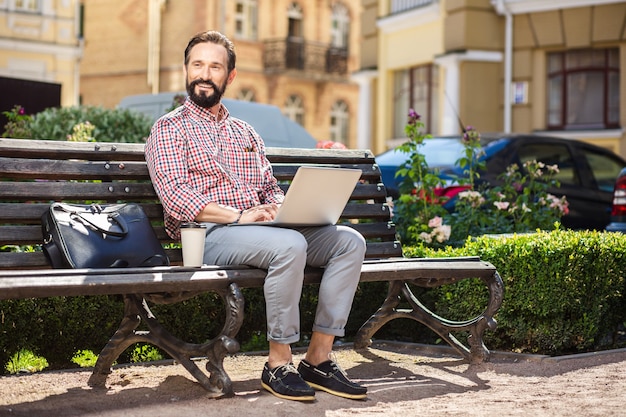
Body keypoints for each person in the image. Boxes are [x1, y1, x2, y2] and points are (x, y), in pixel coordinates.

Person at [144, 30, 367, 402]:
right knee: (290, 245)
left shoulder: (245, 132)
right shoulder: (169, 129)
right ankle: (278, 364)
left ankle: (318, 359)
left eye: (215, 67)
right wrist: (240, 216)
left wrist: (281, 208)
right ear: (186, 70)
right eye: (197, 64)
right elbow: (176, 198)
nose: (204, 73)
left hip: (265, 231)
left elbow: (268, 186)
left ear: (229, 77)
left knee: (348, 241)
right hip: (209, 235)